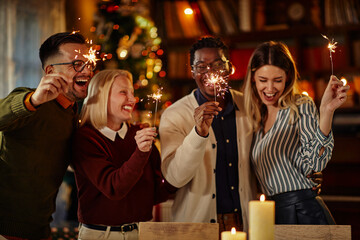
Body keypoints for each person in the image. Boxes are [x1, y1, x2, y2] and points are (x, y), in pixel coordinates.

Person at [242, 41, 350, 224]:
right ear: (253, 78)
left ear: (288, 77)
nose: (269, 89)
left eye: (277, 80)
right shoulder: (255, 118)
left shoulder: (300, 106)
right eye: (263, 80)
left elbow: (316, 163)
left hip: (304, 212)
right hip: (271, 213)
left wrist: (326, 111)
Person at [0, 32, 94, 239]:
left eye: (89, 64)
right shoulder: (30, 101)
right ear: (50, 71)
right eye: (77, 64)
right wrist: (33, 100)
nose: (87, 70)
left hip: (41, 229)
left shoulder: (72, 112)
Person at [159, 36, 258, 233]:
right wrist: (198, 133)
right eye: (201, 66)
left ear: (230, 68)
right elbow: (175, 177)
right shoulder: (174, 114)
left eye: (218, 65)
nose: (210, 73)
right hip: (197, 227)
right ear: (192, 71)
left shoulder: (250, 106)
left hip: (245, 223)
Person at [71, 69, 176, 240]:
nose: (132, 99)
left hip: (142, 233)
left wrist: (184, 160)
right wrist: (140, 152)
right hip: (101, 235)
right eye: (123, 92)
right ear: (102, 96)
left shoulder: (139, 134)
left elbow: (159, 192)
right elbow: (114, 188)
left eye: (132, 93)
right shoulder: (85, 139)